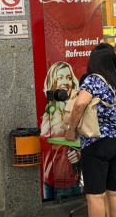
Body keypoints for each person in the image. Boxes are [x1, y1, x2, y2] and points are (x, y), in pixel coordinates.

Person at [65, 43, 116, 217]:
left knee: (96, 195)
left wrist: (71, 129)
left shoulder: (93, 80)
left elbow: (79, 104)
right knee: (115, 192)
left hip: (96, 143)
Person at [40, 61, 81, 199]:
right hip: (48, 181)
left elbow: (86, 137)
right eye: (60, 78)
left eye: (68, 78)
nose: (65, 82)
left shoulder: (74, 111)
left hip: (67, 181)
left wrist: (79, 155)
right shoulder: (48, 114)